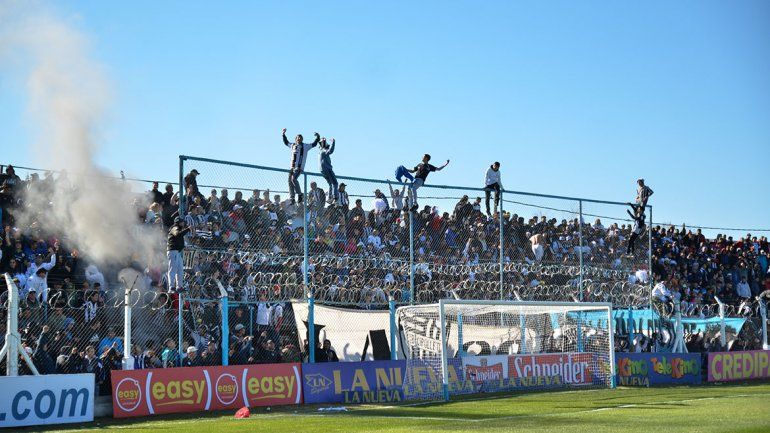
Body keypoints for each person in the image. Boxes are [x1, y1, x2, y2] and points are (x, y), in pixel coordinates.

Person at [282, 128, 320, 204]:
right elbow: (286, 142)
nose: (299, 139)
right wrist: (283, 134)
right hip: (292, 168)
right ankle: (292, 197)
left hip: (299, 168)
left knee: (293, 179)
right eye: (298, 137)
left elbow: (314, 144)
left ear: (302, 139)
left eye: (300, 138)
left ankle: (300, 194)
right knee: (290, 181)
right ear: (295, 139)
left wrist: (317, 137)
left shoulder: (305, 146)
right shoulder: (293, 145)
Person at [167, 217, 191, 293]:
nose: (183, 223)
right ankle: (171, 287)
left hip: (177, 252)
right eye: (182, 222)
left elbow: (178, 239)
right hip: (173, 251)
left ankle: (179, 287)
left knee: (180, 269)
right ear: (178, 222)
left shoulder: (178, 228)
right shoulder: (174, 227)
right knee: (173, 269)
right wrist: (188, 229)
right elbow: (177, 235)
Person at [318, 137, 339, 203]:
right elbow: (331, 150)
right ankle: (335, 197)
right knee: (335, 183)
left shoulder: (321, 152)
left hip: (322, 170)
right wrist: (333, 142)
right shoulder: (324, 151)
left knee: (330, 183)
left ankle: (330, 198)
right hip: (327, 168)